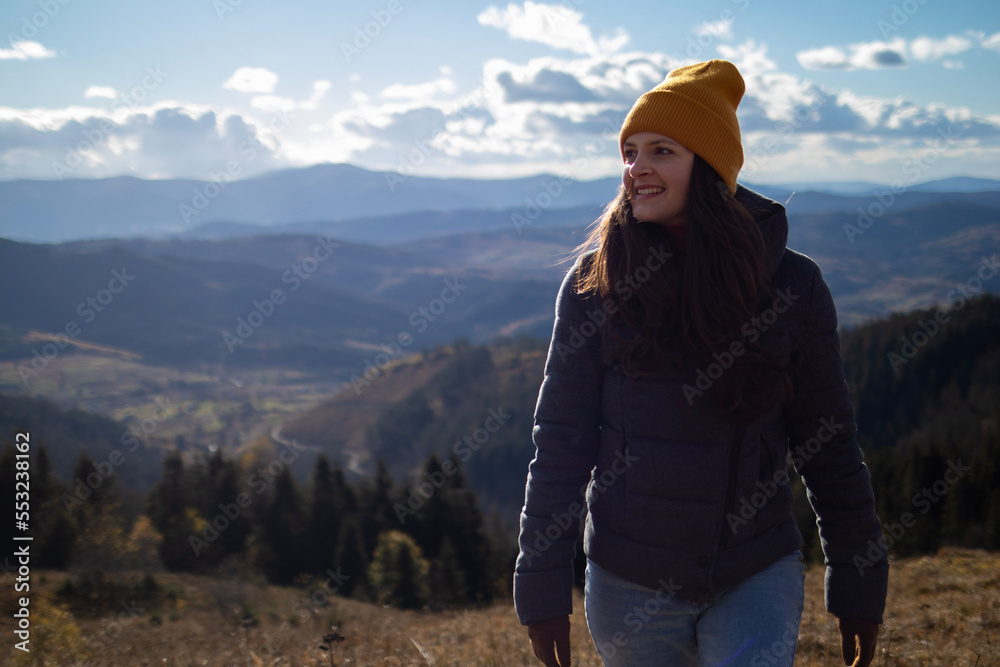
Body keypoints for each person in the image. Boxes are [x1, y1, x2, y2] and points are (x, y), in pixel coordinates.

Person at [513, 59, 888, 667]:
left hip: (754, 571)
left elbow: (829, 445)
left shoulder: (792, 286)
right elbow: (560, 444)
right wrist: (541, 587)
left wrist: (859, 580)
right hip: (627, 581)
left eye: (662, 150)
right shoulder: (594, 286)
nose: (638, 170)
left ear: (710, 167)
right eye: (629, 153)